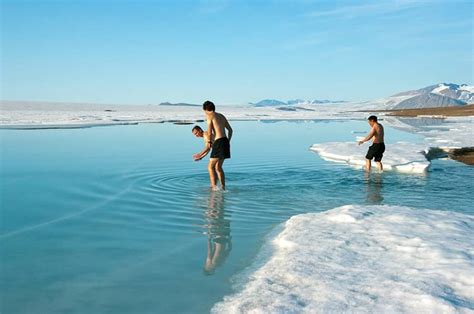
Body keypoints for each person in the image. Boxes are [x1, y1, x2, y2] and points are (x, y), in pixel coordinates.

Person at [194, 100, 233, 191]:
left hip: (218, 141)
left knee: (210, 167)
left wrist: (201, 153)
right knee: (218, 167)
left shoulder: (210, 116)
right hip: (225, 141)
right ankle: (223, 187)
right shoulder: (222, 116)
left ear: (206, 109)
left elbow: (210, 132)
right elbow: (230, 130)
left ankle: (213, 187)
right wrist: (228, 141)